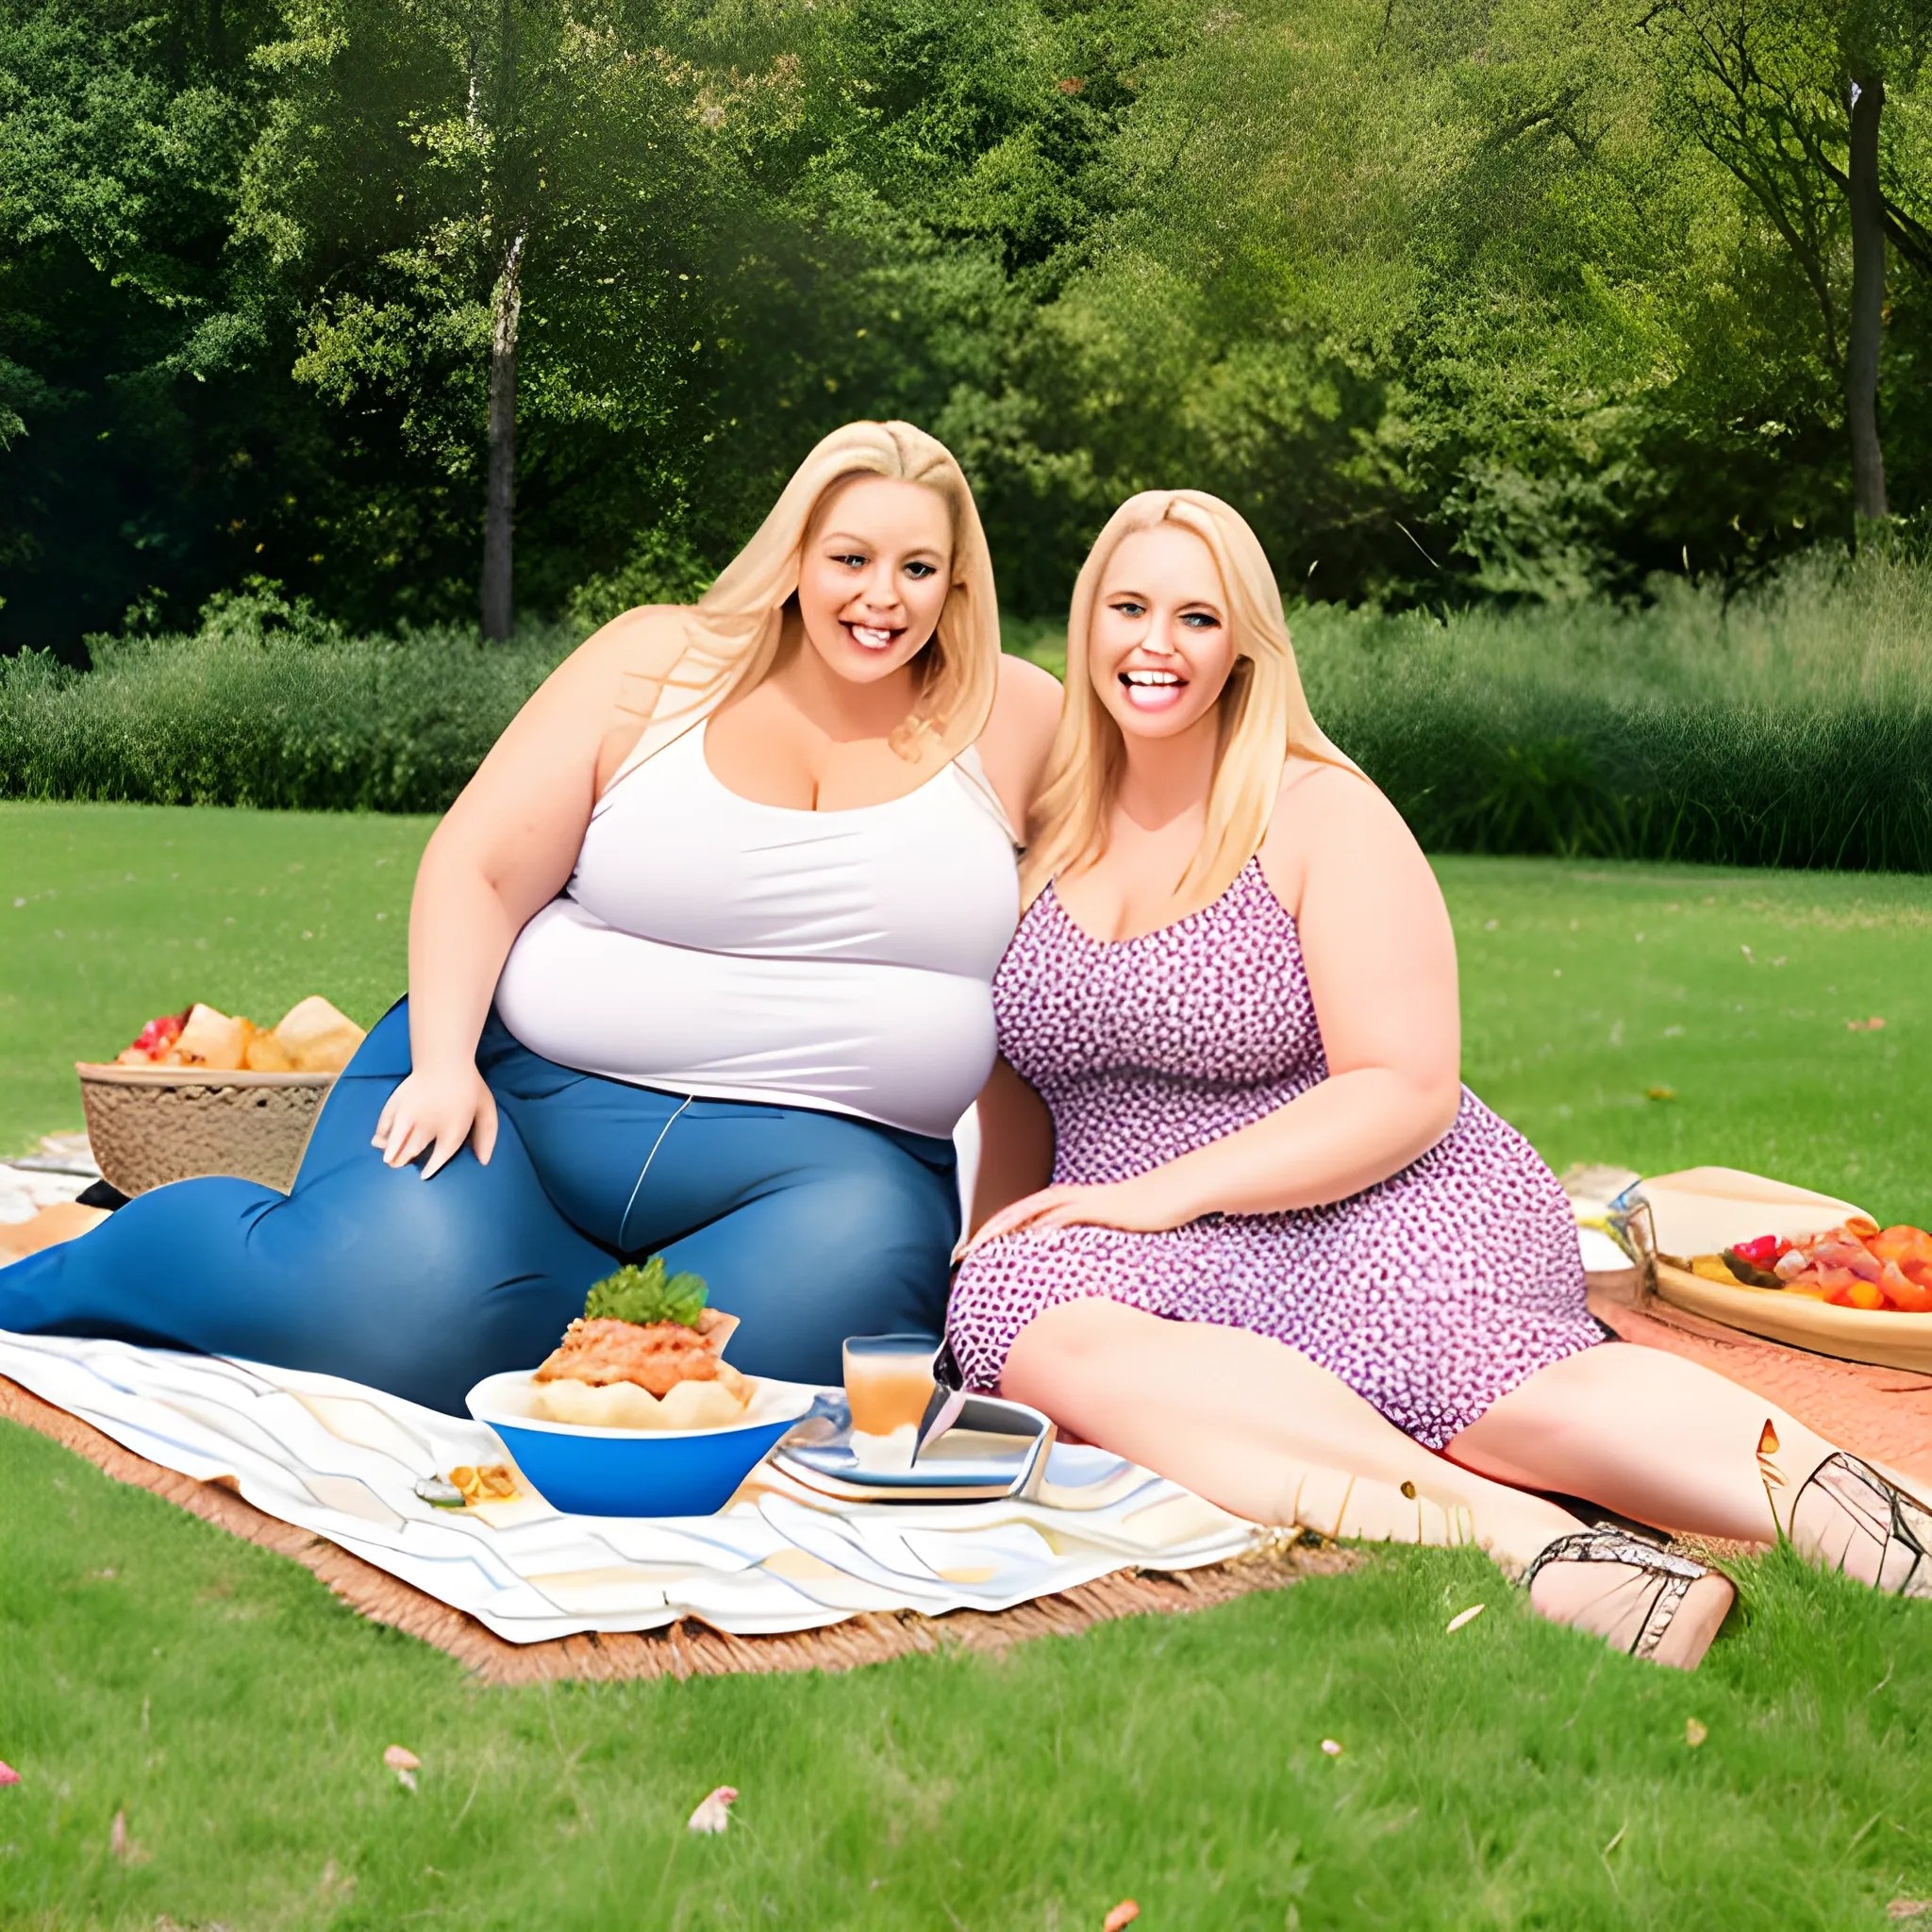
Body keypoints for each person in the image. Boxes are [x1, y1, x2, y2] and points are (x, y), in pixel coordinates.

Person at [946, 488, 1932, 1668]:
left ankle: (1868, 1519)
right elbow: (1021, 1089)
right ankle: (1532, 1544)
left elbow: (1403, 1086)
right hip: (1131, 1236)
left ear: (1245, 643)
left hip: (1371, 1190)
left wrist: (1170, 1190)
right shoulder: (1038, 830)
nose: (1155, 644)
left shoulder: (1316, 810)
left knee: (1466, 1372)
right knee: (1014, 1312)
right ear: (1086, 620)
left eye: (1196, 617)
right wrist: (993, 1234)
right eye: (1128, 605)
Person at [1, 421, 1059, 1413]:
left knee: (752, 1379)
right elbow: (480, 869)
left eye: (916, 569)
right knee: (398, 1323)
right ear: (793, 555)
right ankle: (80, 1252)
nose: (882, 597)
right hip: (523, 1095)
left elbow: (1107, 926)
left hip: (833, 1169)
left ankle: (537, 1324)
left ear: (955, 581)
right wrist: (446, 1063)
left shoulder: (1015, 717)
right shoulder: (656, 660)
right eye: (850, 559)